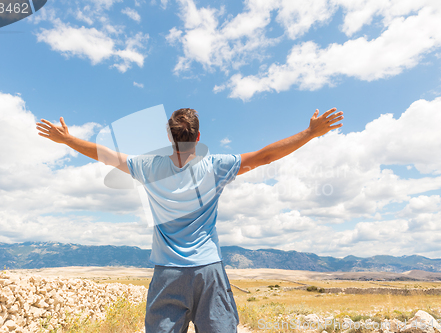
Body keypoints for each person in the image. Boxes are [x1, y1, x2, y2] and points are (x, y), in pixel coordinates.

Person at [36, 107, 343, 333]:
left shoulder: (148, 167)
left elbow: (105, 154)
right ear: (198, 137)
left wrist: (67, 140)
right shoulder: (216, 167)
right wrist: (311, 133)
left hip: (168, 273)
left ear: (169, 138)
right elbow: (265, 157)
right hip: (209, 271)